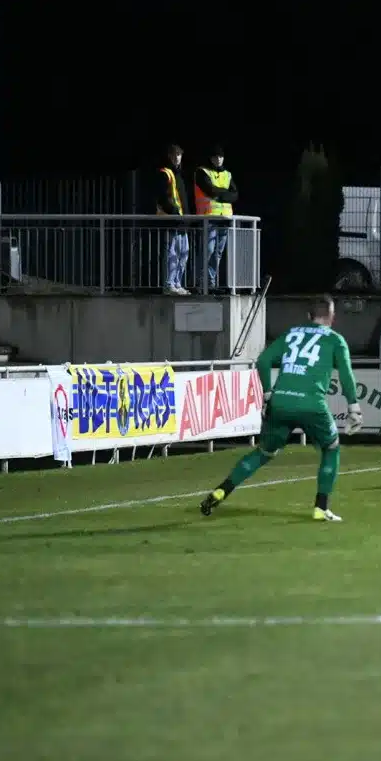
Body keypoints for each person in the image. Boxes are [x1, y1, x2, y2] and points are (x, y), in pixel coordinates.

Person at [200, 295, 364, 523]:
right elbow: (346, 373)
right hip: (311, 405)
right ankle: (321, 507)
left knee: (263, 453)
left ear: (308, 316)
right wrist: (353, 406)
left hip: (281, 401)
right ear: (332, 317)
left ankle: (222, 490)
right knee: (331, 448)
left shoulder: (292, 334)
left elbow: (263, 361)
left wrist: (268, 394)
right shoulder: (336, 340)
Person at [193, 146, 237, 291]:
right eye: (215, 157)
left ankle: (210, 282)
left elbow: (235, 195)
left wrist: (220, 194)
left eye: (220, 157)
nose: (218, 159)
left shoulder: (227, 174)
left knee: (217, 252)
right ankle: (201, 282)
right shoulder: (202, 172)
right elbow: (210, 190)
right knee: (208, 250)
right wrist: (224, 194)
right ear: (211, 158)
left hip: (224, 219)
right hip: (209, 218)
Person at [155, 144, 191, 296]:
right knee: (172, 254)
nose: (177, 157)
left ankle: (177, 283)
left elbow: (183, 200)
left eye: (179, 154)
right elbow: (163, 197)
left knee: (183, 254)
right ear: (169, 156)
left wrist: (187, 217)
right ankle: (169, 284)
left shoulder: (179, 175)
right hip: (172, 220)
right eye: (174, 154)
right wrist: (174, 212)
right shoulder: (165, 173)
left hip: (182, 222)